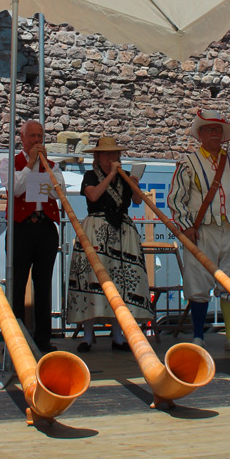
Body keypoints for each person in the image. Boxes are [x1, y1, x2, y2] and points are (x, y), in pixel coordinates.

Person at [167, 108, 230, 352]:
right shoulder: (188, 162)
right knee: (198, 282)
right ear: (200, 135)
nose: (215, 134)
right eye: (209, 130)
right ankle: (198, 336)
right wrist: (185, 227)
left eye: (218, 130)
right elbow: (175, 199)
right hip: (201, 230)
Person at [66, 136, 152, 352]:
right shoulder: (89, 176)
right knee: (92, 279)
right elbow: (93, 196)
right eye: (106, 154)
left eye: (114, 153)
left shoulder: (124, 178)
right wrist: (112, 174)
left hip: (122, 232)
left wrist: (133, 184)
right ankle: (87, 335)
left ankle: (118, 335)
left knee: (120, 280)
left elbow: (138, 201)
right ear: (98, 156)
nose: (111, 157)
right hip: (97, 231)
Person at [0, 119, 64, 354]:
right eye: (33, 136)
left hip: (45, 228)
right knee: (17, 283)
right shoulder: (9, 162)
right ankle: (16, 338)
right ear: (22, 139)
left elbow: (60, 192)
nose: (37, 141)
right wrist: (31, 164)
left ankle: (43, 338)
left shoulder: (52, 165)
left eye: (40, 136)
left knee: (44, 283)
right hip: (21, 228)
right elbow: (15, 189)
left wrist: (43, 165)